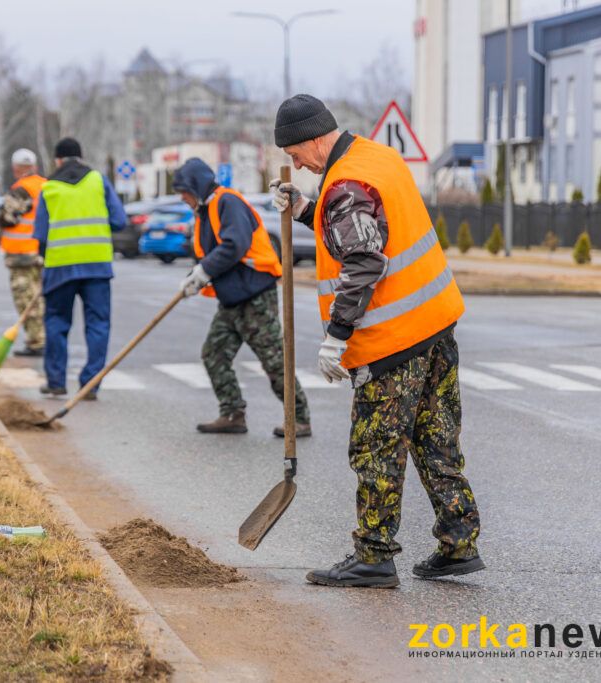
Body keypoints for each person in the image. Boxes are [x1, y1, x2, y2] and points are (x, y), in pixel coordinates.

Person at [271, 94, 483, 587]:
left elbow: (364, 258)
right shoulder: (374, 158)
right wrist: (307, 209)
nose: (294, 163)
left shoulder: (345, 183)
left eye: (294, 153)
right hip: (434, 326)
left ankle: (373, 555)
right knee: (436, 440)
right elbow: (365, 224)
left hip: (390, 342)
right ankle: (458, 542)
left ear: (313, 140)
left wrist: (336, 336)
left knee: (377, 448)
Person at [174, 158, 310, 436]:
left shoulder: (228, 202)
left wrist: (204, 271)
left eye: (184, 191)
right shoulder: (205, 210)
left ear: (196, 186)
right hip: (231, 299)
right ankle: (233, 413)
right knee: (214, 354)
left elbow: (235, 244)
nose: (181, 197)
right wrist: (195, 277)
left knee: (273, 359)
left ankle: (300, 418)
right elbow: (208, 254)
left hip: (255, 295)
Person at [33, 138, 126, 398]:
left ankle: (56, 382)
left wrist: (45, 260)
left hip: (60, 266)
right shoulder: (98, 181)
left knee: (56, 323)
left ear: (58, 160)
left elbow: (40, 235)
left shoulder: (49, 187)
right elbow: (119, 220)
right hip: (96, 265)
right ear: (81, 157)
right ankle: (90, 383)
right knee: (98, 325)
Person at [0, 148, 47, 357]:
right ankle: (41, 338)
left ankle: (36, 341)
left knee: (26, 299)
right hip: (41, 252)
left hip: (21, 254)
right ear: (34, 166)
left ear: (16, 168)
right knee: (39, 296)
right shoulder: (46, 186)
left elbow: (7, 218)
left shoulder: (20, 190)